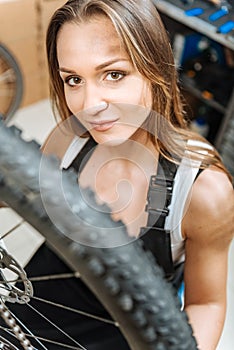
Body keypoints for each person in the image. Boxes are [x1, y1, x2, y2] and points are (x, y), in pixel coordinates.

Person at [1, 0, 233, 349]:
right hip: (30, 315)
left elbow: (206, 303)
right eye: (74, 80)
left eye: (113, 74)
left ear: (155, 68)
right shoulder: (68, 144)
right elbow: (22, 195)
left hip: (128, 335)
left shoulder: (203, 191)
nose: (90, 103)